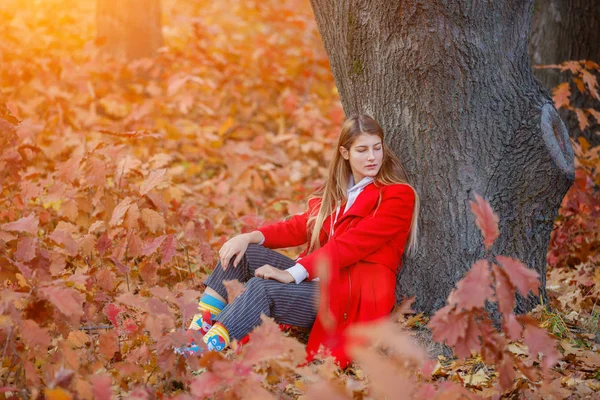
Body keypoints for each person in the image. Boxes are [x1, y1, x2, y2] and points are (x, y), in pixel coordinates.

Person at [179, 114, 420, 367]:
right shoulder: (340, 193)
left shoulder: (396, 196)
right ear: (345, 153)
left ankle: (202, 354)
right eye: (362, 150)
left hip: (350, 297)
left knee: (262, 288)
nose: (372, 157)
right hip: (321, 283)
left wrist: (294, 273)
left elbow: (352, 244)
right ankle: (196, 332)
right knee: (244, 253)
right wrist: (249, 236)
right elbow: (300, 226)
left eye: (376, 148)